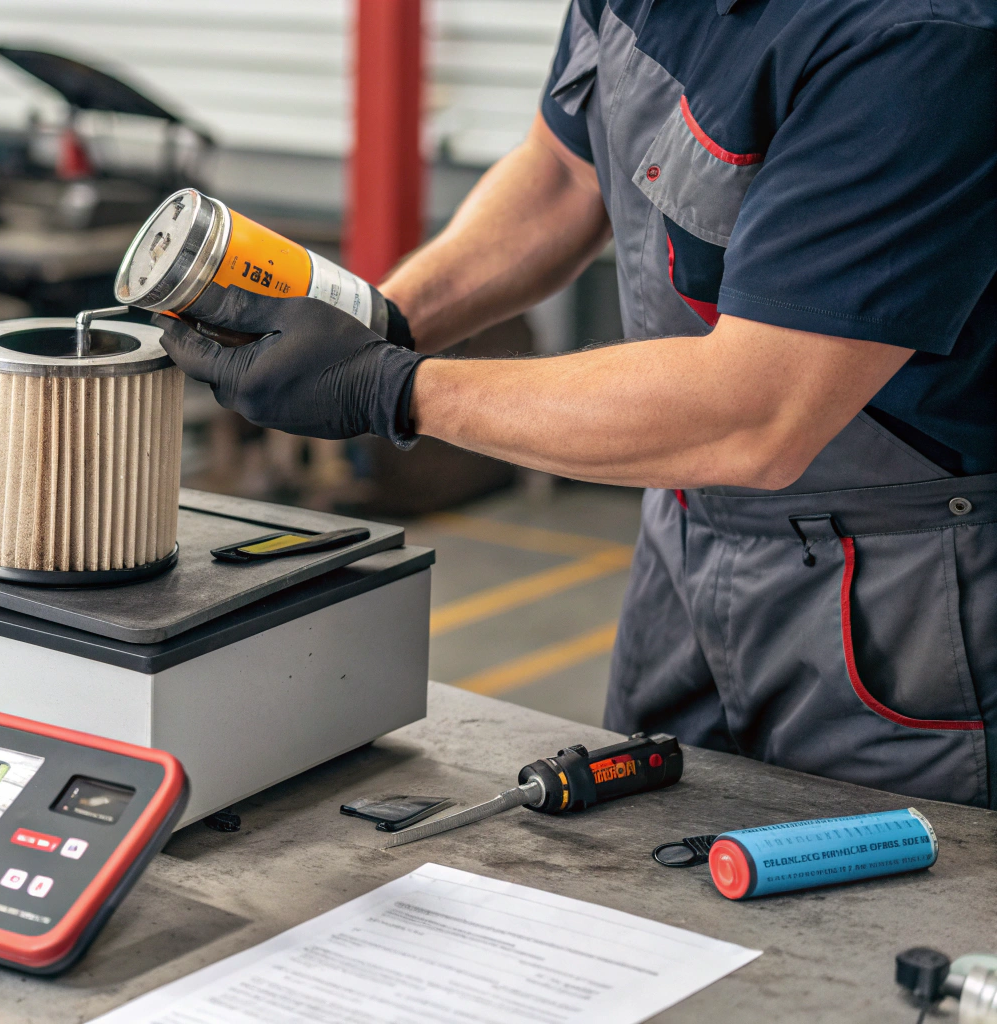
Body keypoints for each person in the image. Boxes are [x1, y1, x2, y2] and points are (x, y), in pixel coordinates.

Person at [158, 0, 997, 806]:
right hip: (685, 521)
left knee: (877, 911)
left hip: (900, 581)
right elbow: (563, 174)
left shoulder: (918, 34)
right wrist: (371, 320)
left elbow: (757, 412)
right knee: (642, 859)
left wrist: (388, 385)